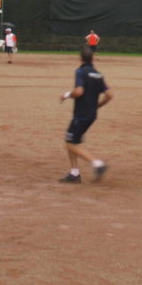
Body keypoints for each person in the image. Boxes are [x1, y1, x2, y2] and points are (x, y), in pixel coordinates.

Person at [59, 46, 113, 183]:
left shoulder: (80, 72)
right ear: (93, 58)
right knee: (72, 141)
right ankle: (74, 174)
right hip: (91, 115)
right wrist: (97, 106)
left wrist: (67, 95)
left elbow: (79, 92)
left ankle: (97, 163)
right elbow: (109, 95)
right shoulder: (98, 75)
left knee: (69, 144)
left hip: (81, 114)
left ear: (81, 58)